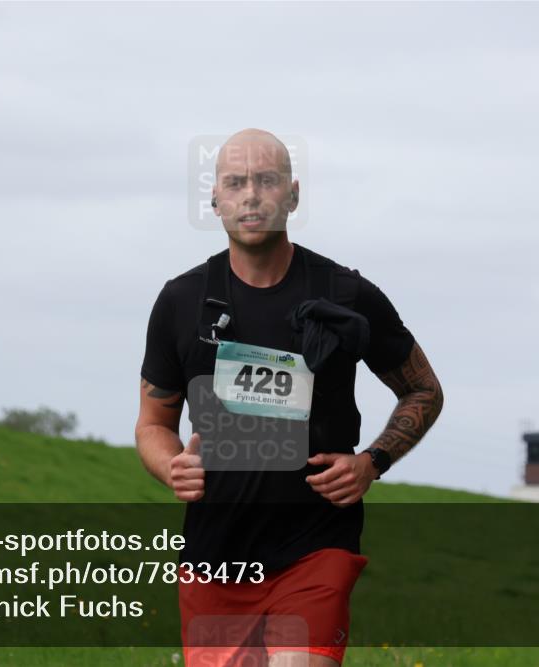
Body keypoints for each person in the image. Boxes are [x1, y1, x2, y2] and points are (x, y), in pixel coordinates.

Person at [135, 128, 444, 667]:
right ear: (214, 199)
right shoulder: (181, 301)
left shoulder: (346, 293)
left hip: (315, 544)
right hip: (215, 555)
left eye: (266, 180)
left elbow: (423, 389)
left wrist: (372, 462)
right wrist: (171, 468)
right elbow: (154, 423)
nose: (251, 194)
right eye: (235, 182)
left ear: (293, 195)